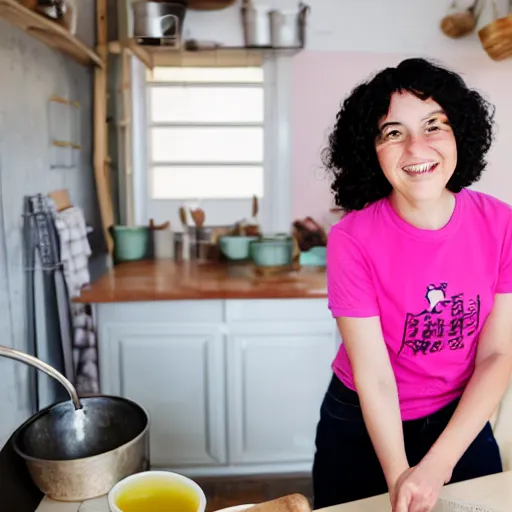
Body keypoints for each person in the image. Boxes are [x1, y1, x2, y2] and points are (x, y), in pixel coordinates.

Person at [312, 57, 512, 512]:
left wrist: (436, 465)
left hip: (459, 417)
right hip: (363, 420)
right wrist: (401, 475)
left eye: (433, 125)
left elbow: (499, 354)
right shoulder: (352, 239)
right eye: (393, 132)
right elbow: (375, 377)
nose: (416, 148)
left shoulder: (501, 224)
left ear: (460, 131)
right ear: (372, 150)